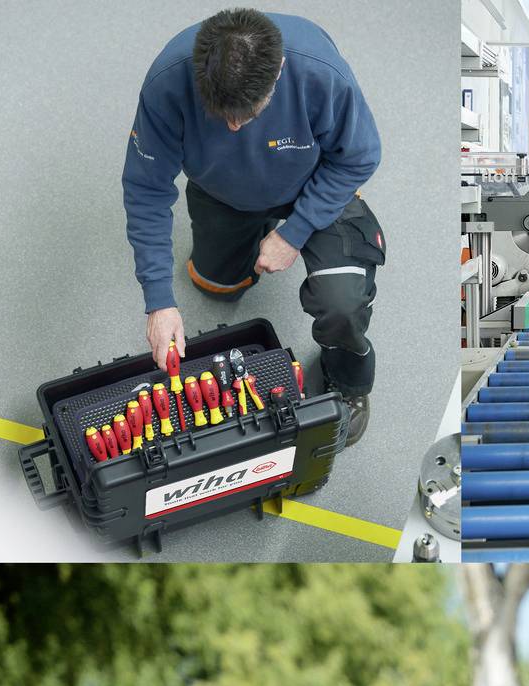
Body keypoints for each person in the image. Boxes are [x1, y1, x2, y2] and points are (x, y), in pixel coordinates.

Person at [124, 8, 385, 445]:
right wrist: (157, 301)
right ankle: (238, 240)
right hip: (223, 190)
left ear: (279, 69)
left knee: (341, 302)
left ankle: (350, 381)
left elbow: (359, 156)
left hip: (313, 184)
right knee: (214, 287)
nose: (233, 125)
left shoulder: (320, 73)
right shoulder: (167, 83)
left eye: (249, 113)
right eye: (222, 113)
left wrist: (294, 231)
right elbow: (146, 190)